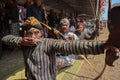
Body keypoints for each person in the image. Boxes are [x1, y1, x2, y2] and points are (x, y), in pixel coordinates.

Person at [1, 16, 114, 80]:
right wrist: (20, 40)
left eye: (36, 33)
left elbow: (72, 46)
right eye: (29, 33)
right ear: (25, 33)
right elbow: (5, 38)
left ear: (41, 33)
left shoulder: (48, 42)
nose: (33, 37)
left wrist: (102, 46)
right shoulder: (23, 43)